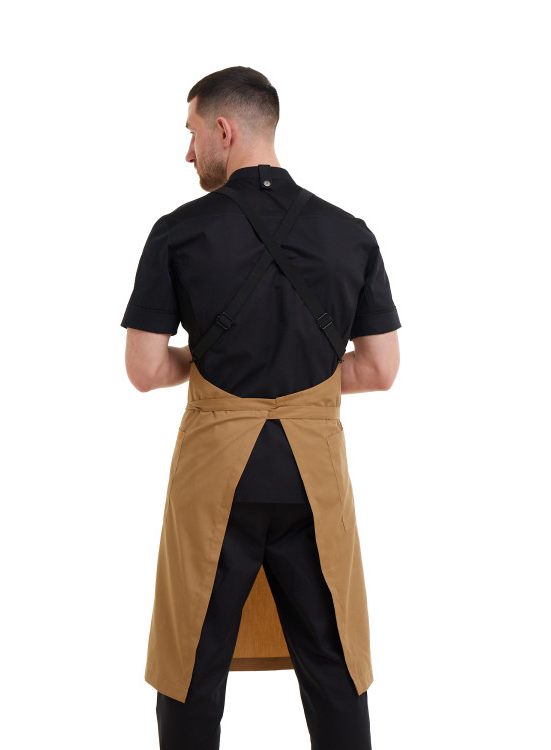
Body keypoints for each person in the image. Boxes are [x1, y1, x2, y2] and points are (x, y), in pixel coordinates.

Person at [121, 66, 401, 750]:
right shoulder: (350, 233)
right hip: (313, 477)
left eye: (192, 133)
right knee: (333, 661)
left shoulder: (178, 232)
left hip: (217, 472)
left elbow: (145, 369)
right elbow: (379, 368)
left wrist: (208, 369)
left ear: (224, 129)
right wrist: (305, 392)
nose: (188, 151)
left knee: (192, 660)